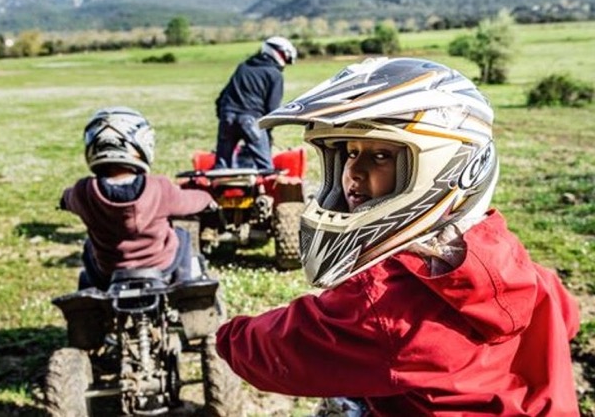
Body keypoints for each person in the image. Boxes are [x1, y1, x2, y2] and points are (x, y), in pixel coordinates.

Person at [215, 58, 580, 415]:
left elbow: (279, 352)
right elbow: (568, 317)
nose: (353, 172)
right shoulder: (509, 258)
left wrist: (227, 335)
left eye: (380, 156)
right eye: (350, 152)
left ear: (446, 166)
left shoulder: (383, 304)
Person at [60, 106, 215, 290]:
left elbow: (67, 199)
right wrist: (207, 197)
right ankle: (186, 284)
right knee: (182, 235)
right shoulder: (160, 188)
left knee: (89, 246)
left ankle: (95, 297)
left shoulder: (82, 192)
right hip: (161, 267)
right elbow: (189, 202)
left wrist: (64, 202)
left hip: (109, 272)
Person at [213, 36, 297, 170]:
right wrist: (267, 135)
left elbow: (221, 98)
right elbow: (272, 109)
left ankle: (217, 190)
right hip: (251, 122)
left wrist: (225, 118)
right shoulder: (275, 74)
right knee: (266, 169)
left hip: (227, 117)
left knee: (220, 169)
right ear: (279, 53)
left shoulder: (243, 67)